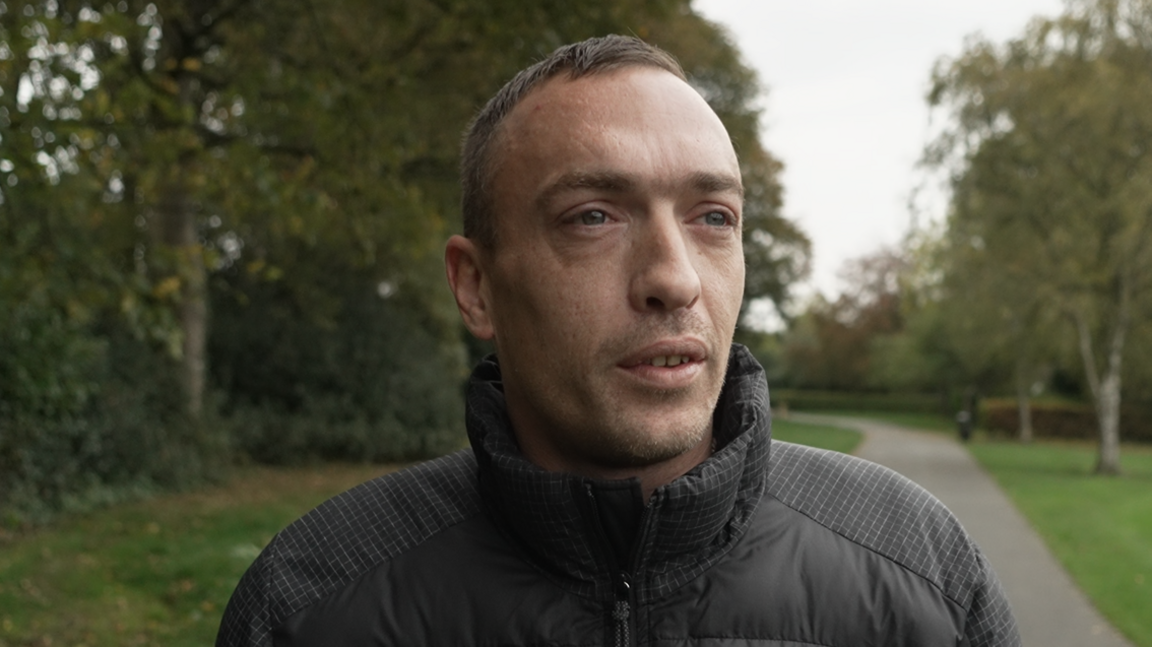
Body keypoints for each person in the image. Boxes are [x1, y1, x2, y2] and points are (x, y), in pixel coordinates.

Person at [216, 35, 1020, 646]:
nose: (675, 278)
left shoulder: (926, 579)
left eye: (714, 218)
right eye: (593, 216)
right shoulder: (308, 603)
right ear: (477, 286)